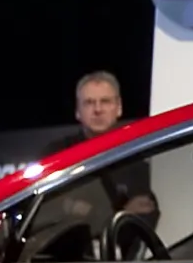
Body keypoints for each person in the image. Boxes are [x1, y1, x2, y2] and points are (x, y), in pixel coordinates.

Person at [35, 71, 157, 240]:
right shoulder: (57, 155)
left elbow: (145, 213)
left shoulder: (135, 158)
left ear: (119, 107)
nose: (98, 110)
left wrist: (84, 211)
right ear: (78, 111)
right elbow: (44, 211)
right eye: (89, 103)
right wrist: (120, 214)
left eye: (105, 101)